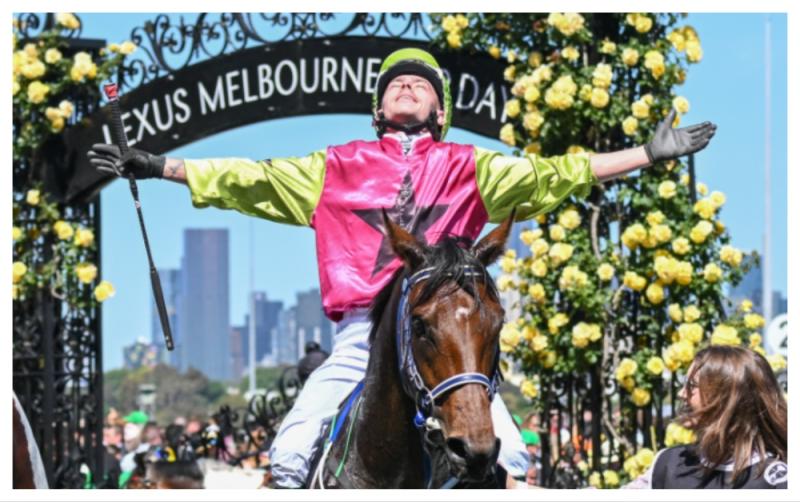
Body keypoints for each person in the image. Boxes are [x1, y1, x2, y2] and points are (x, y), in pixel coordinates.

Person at [89, 47, 716, 488]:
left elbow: (558, 173)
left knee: (514, 461)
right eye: (395, 82)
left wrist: (645, 153)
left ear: (441, 111)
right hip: (362, 338)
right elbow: (248, 178)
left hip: (449, 344)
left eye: (422, 83)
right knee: (290, 451)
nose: (408, 85)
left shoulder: (474, 167)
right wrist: (159, 166)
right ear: (378, 110)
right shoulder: (332, 166)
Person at [625, 346, 787, 489]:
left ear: (728, 397)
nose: (681, 394)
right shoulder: (668, 463)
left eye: (692, 386)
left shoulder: (778, 479)